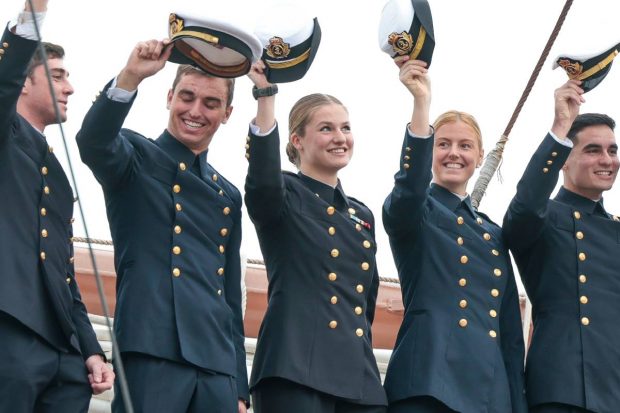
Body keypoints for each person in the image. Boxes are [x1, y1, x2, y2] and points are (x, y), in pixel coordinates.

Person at [76, 38, 249, 412]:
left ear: (227, 112)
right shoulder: (135, 156)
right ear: (169, 96)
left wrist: (238, 384)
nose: (195, 110)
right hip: (152, 346)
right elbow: (92, 141)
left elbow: (229, 294)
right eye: (187, 97)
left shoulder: (229, 194)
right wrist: (131, 76)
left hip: (216, 364)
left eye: (211, 103)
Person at [382, 57, 527, 413]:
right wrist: (421, 105)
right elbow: (409, 189)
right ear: (429, 152)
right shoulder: (416, 211)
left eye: (465, 146)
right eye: (443, 143)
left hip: (487, 394)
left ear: (480, 157)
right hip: (427, 385)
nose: (453, 153)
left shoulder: (493, 234)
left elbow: (508, 333)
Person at [244, 60, 387, 413]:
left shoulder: (360, 214)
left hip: (357, 376)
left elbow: (364, 303)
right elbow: (262, 180)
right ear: (297, 140)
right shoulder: (283, 193)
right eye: (326, 128)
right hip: (295, 368)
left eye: (346, 127)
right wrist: (265, 96)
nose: (340, 138)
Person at [0, 0, 114, 411]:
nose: (70, 87)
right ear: (24, 84)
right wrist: (33, 14)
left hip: (64, 358)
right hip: (11, 331)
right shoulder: (6, 137)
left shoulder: (59, 177)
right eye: (57, 75)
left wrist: (91, 350)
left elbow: (62, 271)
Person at [503, 80, 620, 413]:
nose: (607, 160)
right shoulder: (544, 217)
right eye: (593, 150)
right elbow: (524, 208)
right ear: (563, 161)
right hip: (563, 390)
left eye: (612, 150)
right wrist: (559, 129)